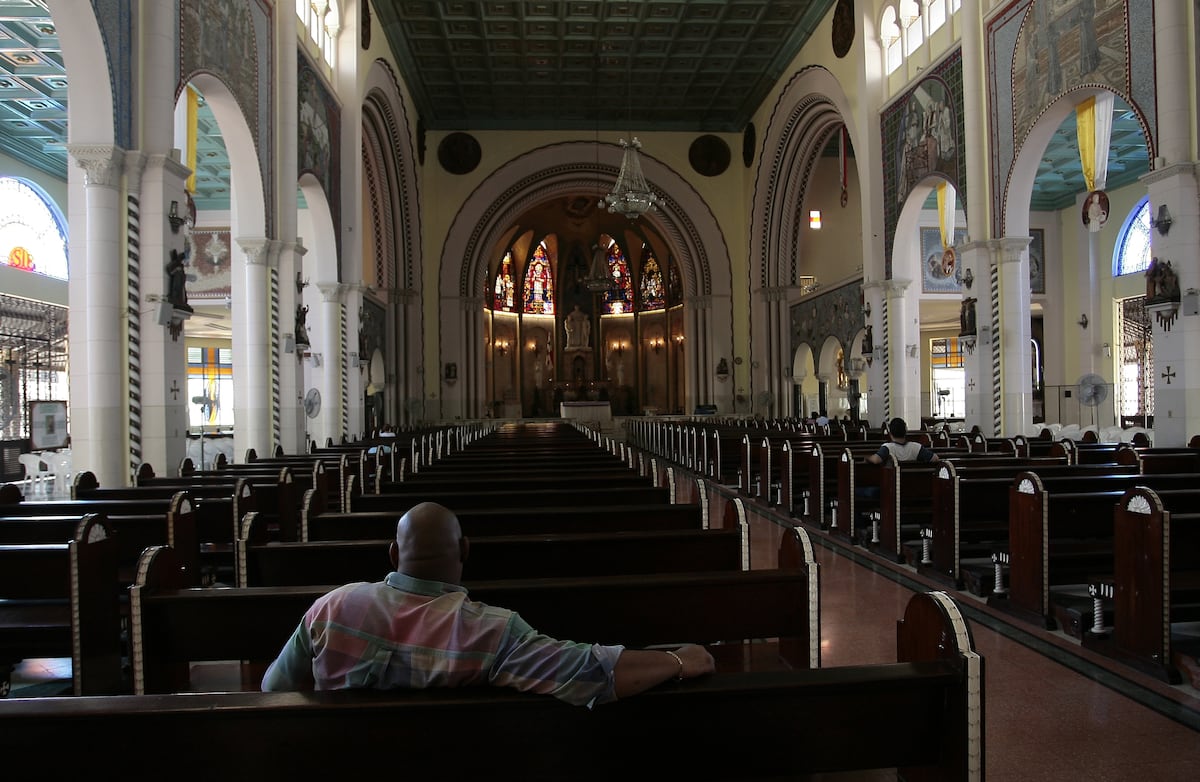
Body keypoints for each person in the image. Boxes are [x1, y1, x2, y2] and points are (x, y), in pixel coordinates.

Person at [261, 501, 715, 706]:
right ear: (465, 551)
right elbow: (589, 673)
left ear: (394, 555)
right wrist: (679, 660)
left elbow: (274, 688)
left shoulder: (330, 609)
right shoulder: (492, 633)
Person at [867, 417, 940, 465]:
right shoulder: (916, 447)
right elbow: (935, 458)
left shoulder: (887, 448)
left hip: (895, 482)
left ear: (890, 434)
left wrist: (867, 458)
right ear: (905, 432)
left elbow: (876, 460)